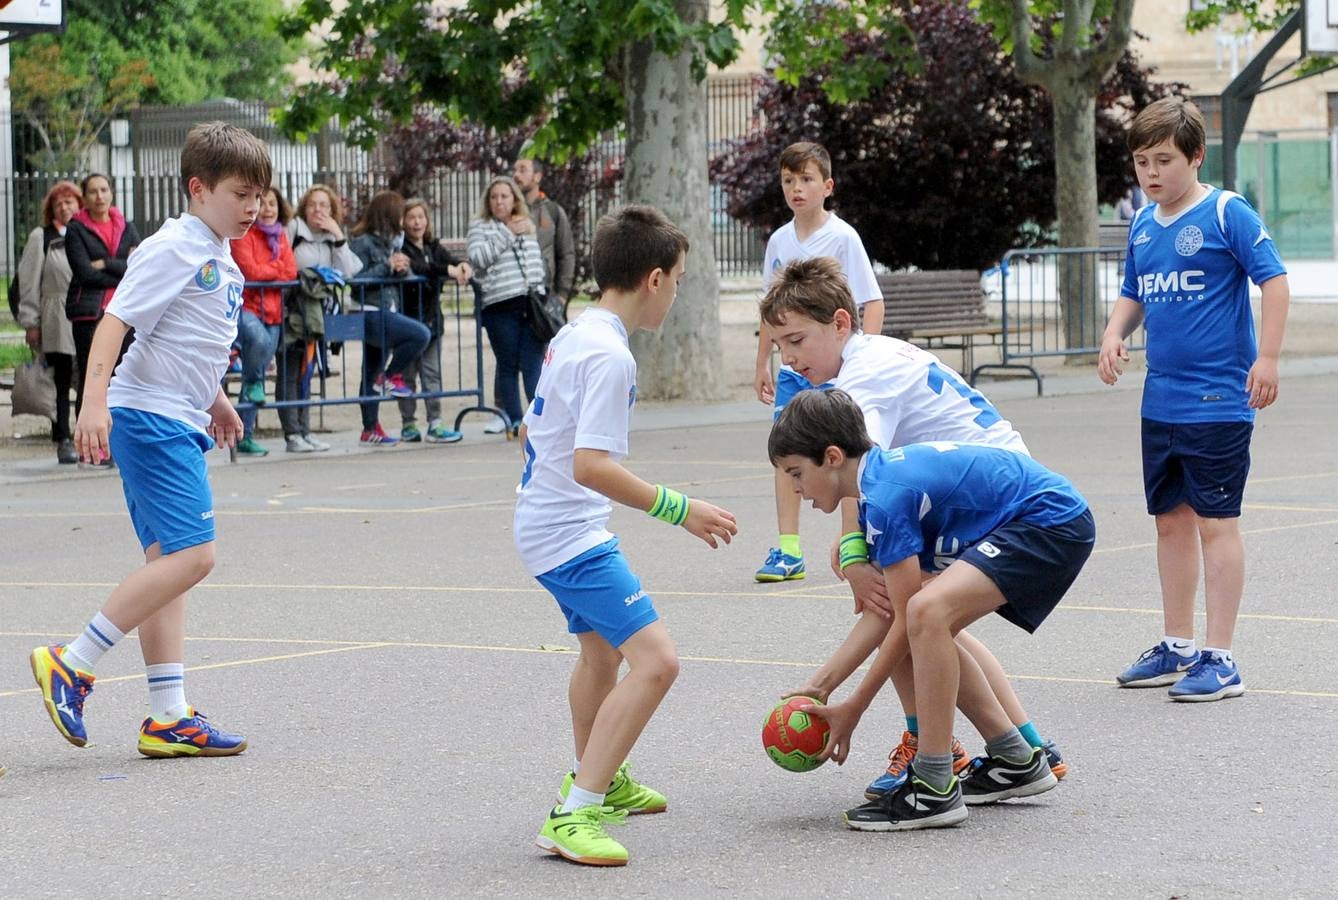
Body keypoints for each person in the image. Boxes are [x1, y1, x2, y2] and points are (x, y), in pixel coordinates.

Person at [762, 256, 1067, 800]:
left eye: (797, 341)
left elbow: (857, 464)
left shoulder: (861, 379)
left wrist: (856, 553)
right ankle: (1023, 747)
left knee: (903, 610)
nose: (788, 357)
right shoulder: (864, 359)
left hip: (993, 499)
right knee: (923, 615)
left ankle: (932, 746)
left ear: (839, 324)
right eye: (780, 345)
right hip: (983, 485)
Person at [29, 121, 272, 759]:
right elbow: (116, 323)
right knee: (195, 558)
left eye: (259, 196)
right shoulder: (175, 247)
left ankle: (168, 716)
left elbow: (183, 340)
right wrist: (92, 402)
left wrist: (214, 399)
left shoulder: (215, 249)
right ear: (198, 188)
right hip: (151, 417)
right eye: (240, 193)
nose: (253, 207)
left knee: (169, 566)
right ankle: (72, 662)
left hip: (175, 414)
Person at [517, 206, 737, 867]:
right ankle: (575, 811)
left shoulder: (576, 332)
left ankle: (599, 777)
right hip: (569, 535)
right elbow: (592, 464)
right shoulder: (610, 355)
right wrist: (682, 509)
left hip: (547, 524)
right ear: (653, 278)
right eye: (679, 278)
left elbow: (533, 431)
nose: (677, 289)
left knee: (601, 657)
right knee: (658, 661)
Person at [769, 389, 1095, 831]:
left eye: (795, 473)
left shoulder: (887, 496)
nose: (794, 489)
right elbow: (886, 615)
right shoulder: (876, 493)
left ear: (831, 456)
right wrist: (820, 688)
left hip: (1051, 519)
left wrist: (855, 706)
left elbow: (905, 617)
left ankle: (934, 785)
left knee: (926, 614)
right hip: (1040, 517)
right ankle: (1016, 759)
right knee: (921, 619)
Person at [1099, 97, 1289, 702]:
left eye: (1163, 160)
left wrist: (1269, 358)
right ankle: (1177, 645)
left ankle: (1221, 658)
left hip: (1218, 401)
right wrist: (1112, 333)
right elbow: (1135, 290)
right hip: (1162, 402)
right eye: (1141, 162)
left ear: (1195, 156)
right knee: (1170, 523)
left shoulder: (1226, 212)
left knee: (1215, 524)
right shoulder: (1141, 222)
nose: (1151, 173)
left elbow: (1275, 280)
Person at [752, 141, 885, 583]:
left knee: (845, 449)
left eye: (806, 179)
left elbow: (872, 301)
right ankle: (788, 548)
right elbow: (770, 311)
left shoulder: (843, 237)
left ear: (827, 186)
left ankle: (852, 540)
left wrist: (862, 357)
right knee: (785, 450)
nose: (797, 188)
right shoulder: (779, 240)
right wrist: (762, 364)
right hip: (793, 370)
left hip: (836, 364)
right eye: (789, 180)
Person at [64, 173, 141, 468]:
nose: (99, 196)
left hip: (124, 314)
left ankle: (118, 444)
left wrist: (107, 263)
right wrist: (119, 267)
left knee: (122, 380)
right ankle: (90, 448)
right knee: (93, 379)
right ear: (85, 197)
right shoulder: (76, 230)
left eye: (104, 190)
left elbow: (137, 267)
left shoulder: (126, 226)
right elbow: (85, 273)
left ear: (111, 193)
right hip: (90, 314)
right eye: (93, 191)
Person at [281, 184, 364, 453]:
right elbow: (284, 263)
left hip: (318, 314)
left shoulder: (332, 237)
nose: (318, 210)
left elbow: (348, 271)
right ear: (304, 207)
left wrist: (338, 235)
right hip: (293, 311)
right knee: (290, 371)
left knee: (307, 372)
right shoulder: (294, 229)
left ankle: (306, 430)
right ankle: (292, 433)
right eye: (313, 204)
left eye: (324, 205)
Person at [348, 190, 432, 447]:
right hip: (370, 311)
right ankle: (391, 376)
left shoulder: (391, 242)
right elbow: (355, 279)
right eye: (400, 215)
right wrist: (387, 265)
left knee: (371, 370)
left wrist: (401, 269)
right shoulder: (362, 242)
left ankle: (370, 428)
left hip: (388, 307)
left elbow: (394, 278)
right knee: (420, 335)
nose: (403, 221)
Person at [467, 175, 548, 438]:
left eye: (504, 196)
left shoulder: (526, 224)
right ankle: (514, 419)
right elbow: (479, 259)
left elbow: (536, 261)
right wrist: (507, 233)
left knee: (533, 363)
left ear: (514, 199)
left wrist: (540, 289)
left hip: (530, 303)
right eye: (494, 197)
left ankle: (538, 420)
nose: (499, 201)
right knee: (508, 365)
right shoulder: (481, 226)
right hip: (500, 305)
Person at [16, 181, 82, 464]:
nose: (65, 207)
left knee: (88, 379)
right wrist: (31, 321)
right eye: (59, 203)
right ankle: (63, 437)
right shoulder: (40, 238)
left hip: (84, 314)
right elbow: (28, 283)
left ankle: (87, 435)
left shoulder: (83, 234)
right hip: (55, 317)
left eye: (70, 202)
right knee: (60, 378)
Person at [229, 185, 297, 457]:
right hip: (248, 306)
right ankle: (243, 428)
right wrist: (276, 271)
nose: (267, 209)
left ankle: (245, 436)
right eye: (263, 203)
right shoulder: (244, 234)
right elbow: (250, 270)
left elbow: (291, 271)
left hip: (274, 310)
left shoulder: (281, 236)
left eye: (272, 204)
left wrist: (274, 272)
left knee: (252, 378)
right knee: (256, 346)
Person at [397, 197, 470, 444]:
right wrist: (444, 270)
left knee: (432, 373)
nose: (417, 222)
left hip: (431, 319)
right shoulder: (402, 248)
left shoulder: (433, 246)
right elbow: (420, 268)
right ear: (403, 222)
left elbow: (447, 262)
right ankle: (408, 423)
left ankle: (435, 423)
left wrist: (461, 266)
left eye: (421, 217)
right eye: (411, 217)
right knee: (407, 376)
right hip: (408, 322)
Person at [513, 155, 575, 305]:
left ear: (537, 176)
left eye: (522, 170)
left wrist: (562, 294)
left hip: (547, 297)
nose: (516, 175)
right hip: (513, 298)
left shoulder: (553, 211)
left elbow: (566, 254)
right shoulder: (508, 211)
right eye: (515, 170)